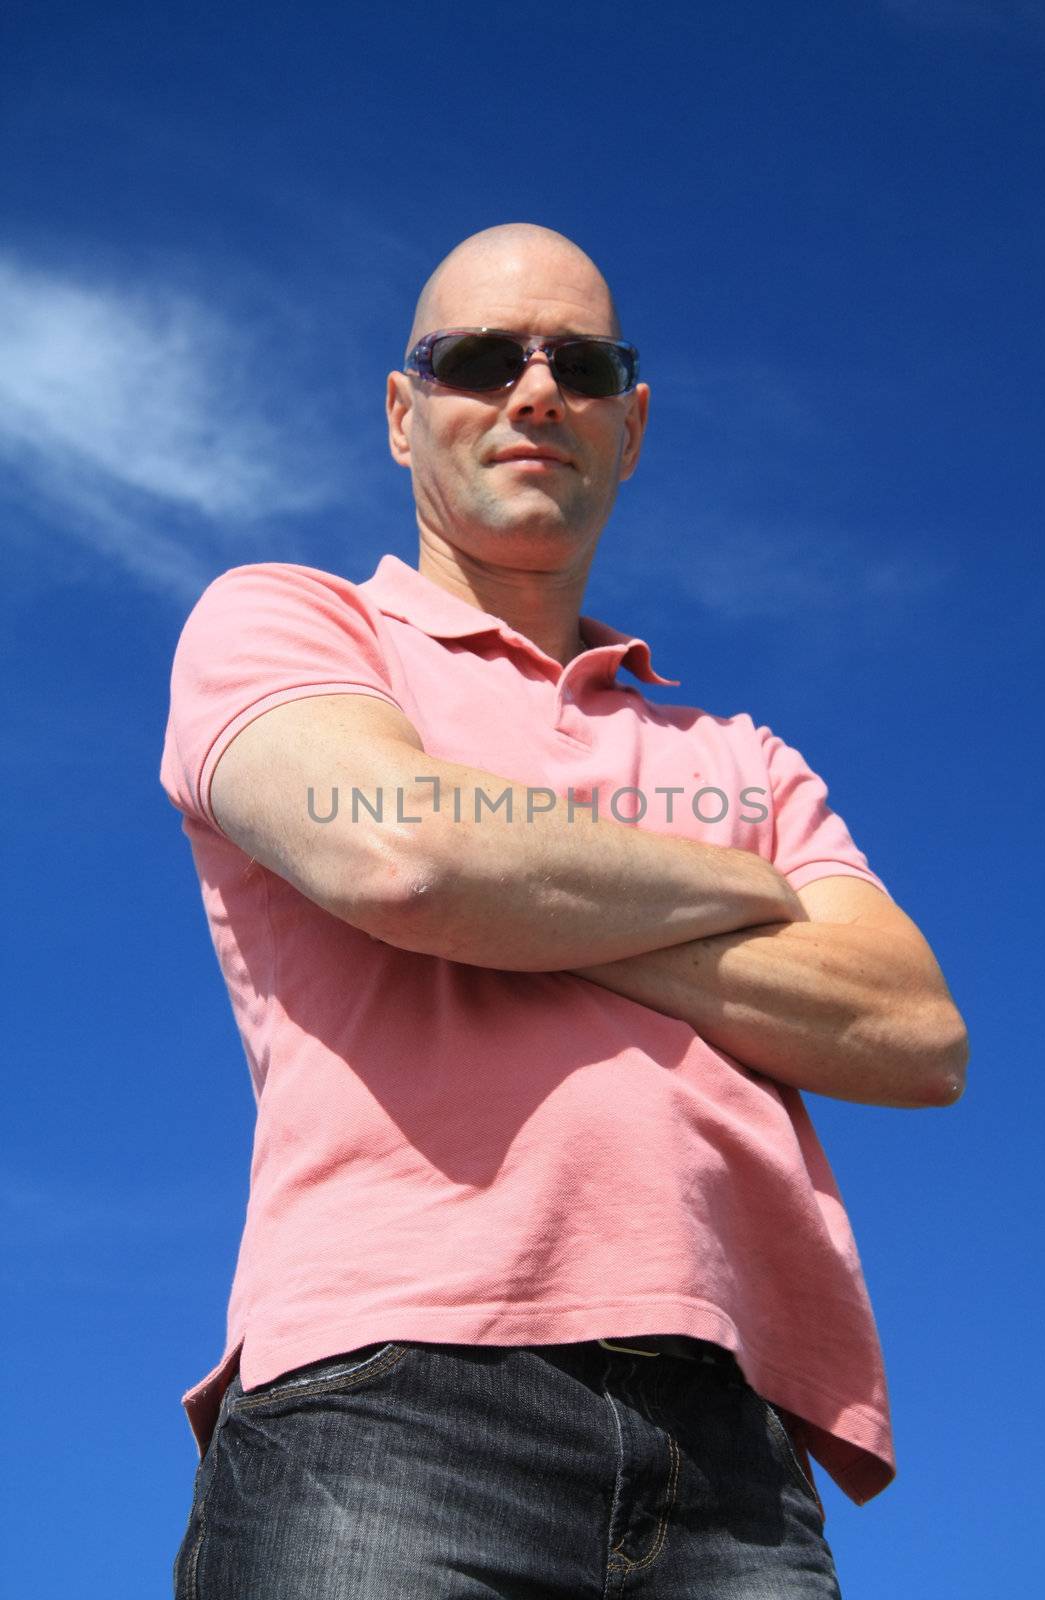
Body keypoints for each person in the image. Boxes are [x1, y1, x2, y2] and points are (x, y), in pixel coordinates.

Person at [162, 222, 968, 1597]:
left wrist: (540, 896)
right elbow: (402, 849)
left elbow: (912, 1034)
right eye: (480, 359)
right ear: (404, 415)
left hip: (738, 1461)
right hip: (392, 1398)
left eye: (580, 364)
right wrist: (745, 884)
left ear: (631, 424)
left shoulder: (744, 749)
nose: (536, 393)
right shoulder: (290, 626)